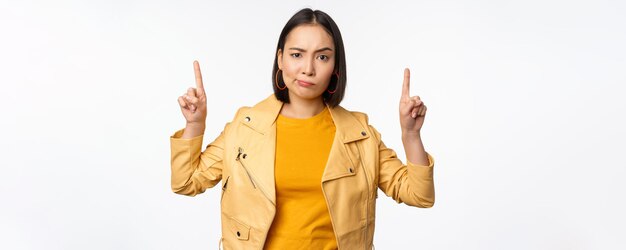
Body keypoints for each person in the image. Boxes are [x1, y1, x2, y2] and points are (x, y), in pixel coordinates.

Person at [170, 8, 435, 250]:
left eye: (322, 57)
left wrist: (411, 135)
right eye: (297, 55)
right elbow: (186, 182)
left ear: (335, 67)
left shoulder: (359, 134)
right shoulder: (245, 128)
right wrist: (195, 124)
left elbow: (419, 195)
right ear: (281, 59)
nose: (308, 69)